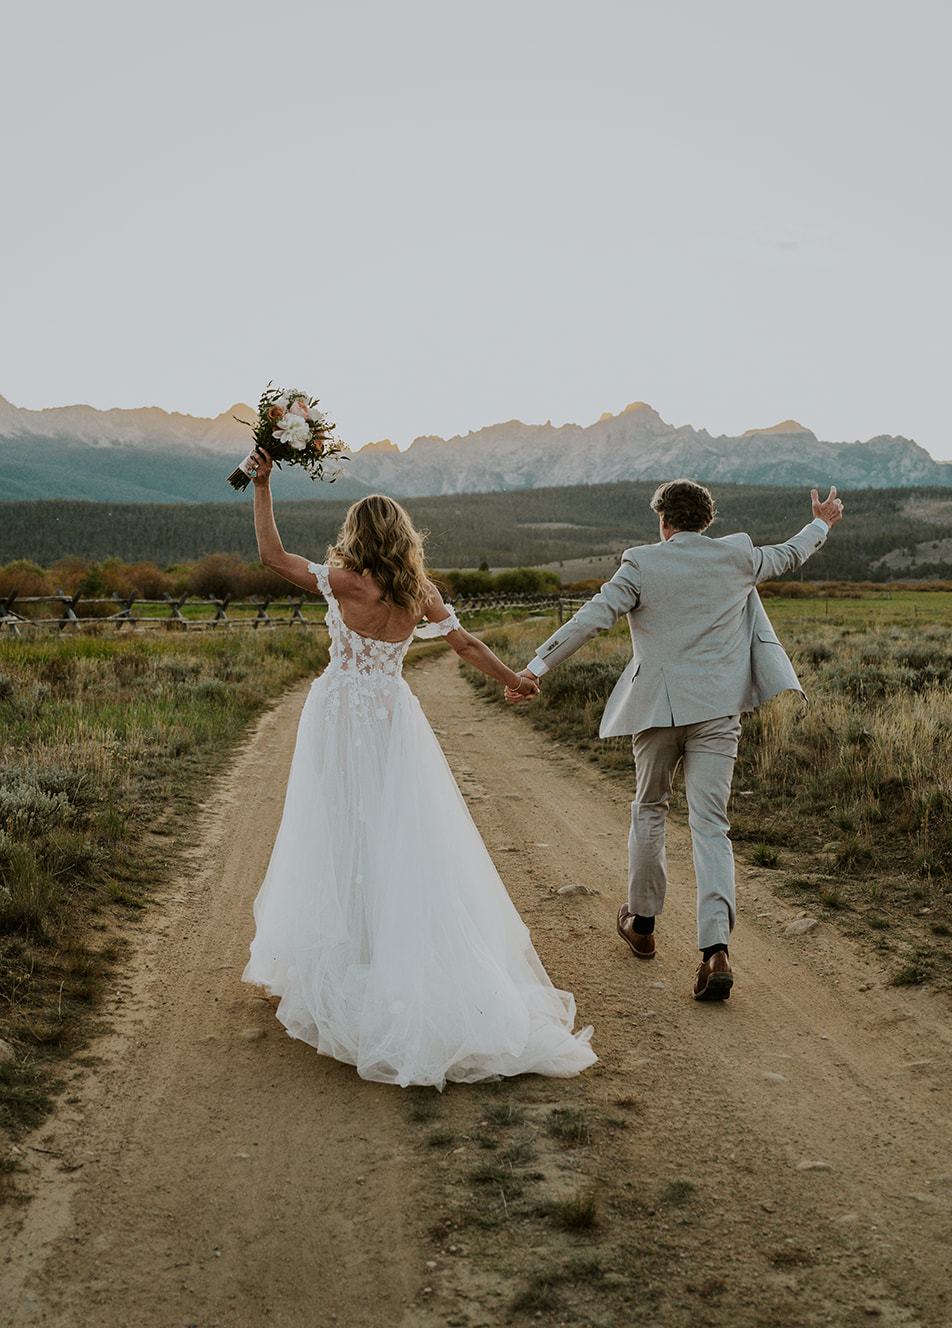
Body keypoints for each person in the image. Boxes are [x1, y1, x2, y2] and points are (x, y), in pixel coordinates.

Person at [241, 450, 596, 1088]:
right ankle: (385, 951)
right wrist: (514, 678)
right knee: (396, 829)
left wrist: (262, 484)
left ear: (356, 535)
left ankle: (348, 956)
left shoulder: (349, 581)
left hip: (339, 712)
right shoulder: (417, 592)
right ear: (403, 537)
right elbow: (465, 644)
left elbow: (273, 558)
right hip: (390, 717)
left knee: (340, 826)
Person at [505, 479, 843, 1002]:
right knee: (711, 825)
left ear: (664, 521)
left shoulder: (641, 563)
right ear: (707, 521)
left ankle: (641, 925)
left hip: (657, 711)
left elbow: (592, 618)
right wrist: (822, 520)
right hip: (719, 711)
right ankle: (716, 952)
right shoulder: (738, 557)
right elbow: (793, 553)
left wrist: (533, 668)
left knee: (650, 809)